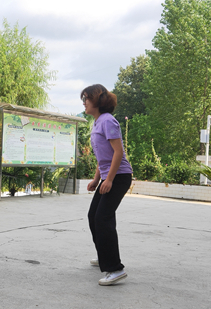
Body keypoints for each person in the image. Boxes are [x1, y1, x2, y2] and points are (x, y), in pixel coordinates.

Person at [82, 84, 133, 286]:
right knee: (93, 216)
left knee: (103, 218)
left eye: (86, 98)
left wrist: (109, 179)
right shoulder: (97, 122)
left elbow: (118, 153)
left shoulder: (108, 121)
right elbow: (103, 157)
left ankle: (114, 268)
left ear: (98, 100)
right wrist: (98, 178)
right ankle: (105, 256)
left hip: (119, 176)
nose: (84, 102)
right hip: (109, 175)